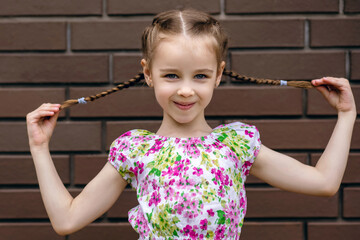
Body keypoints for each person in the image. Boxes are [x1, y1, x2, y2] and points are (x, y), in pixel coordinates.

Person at [26, 9, 356, 240]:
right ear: (147, 74)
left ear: (219, 75)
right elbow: (66, 220)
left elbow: (323, 182)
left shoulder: (235, 145)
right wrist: (40, 148)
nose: (186, 89)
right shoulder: (136, 151)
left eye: (200, 75)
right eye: (171, 75)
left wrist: (346, 115)